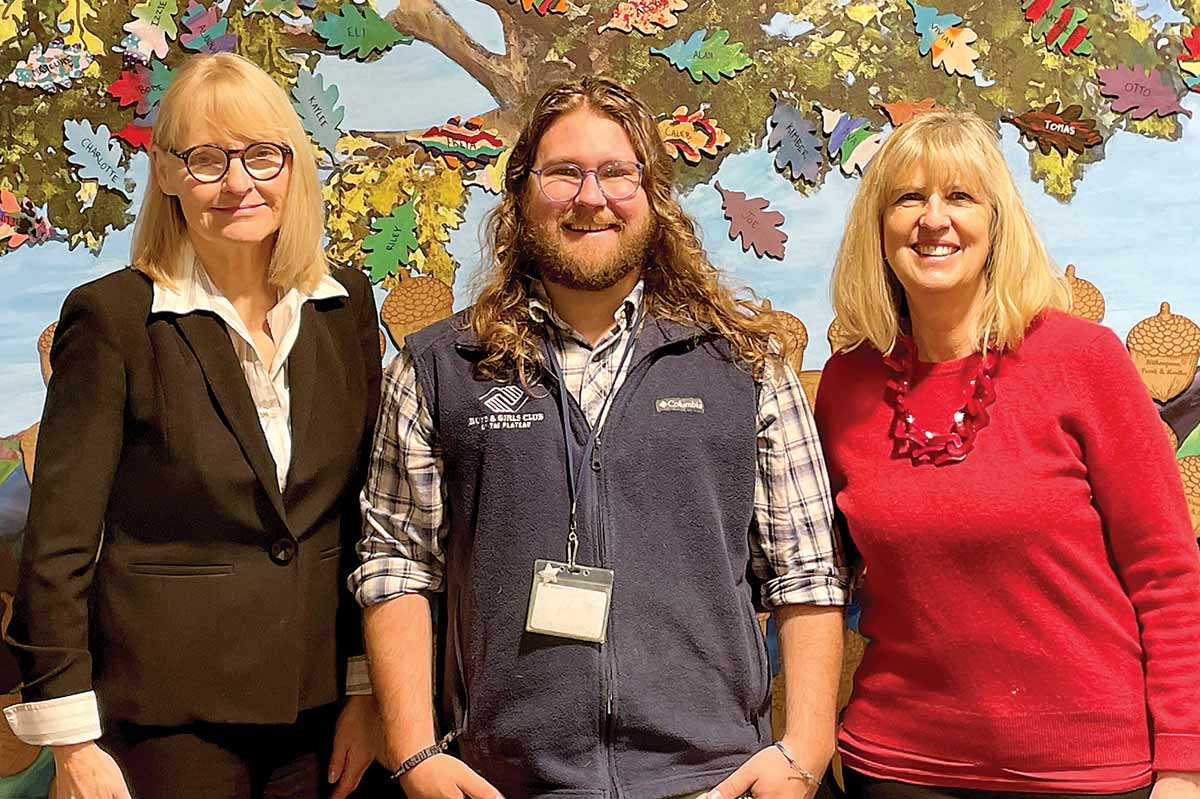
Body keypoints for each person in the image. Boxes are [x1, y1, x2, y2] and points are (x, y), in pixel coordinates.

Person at [351, 76, 849, 799]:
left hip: (714, 781)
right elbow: (397, 565)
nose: (592, 196)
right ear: (522, 193)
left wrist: (803, 749)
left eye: (618, 172)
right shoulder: (438, 368)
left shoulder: (745, 366)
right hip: (505, 783)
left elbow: (806, 573)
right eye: (564, 173)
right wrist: (414, 752)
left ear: (655, 196)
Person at [4, 52, 383, 799]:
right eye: (207, 159)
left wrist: (370, 690)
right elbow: (58, 542)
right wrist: (72, 742)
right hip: (166, 721)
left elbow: (364, 516)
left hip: (319, 711)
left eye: (262, 155)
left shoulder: (346, 304)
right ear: (169, 174)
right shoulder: (113, 317)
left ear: (294, 166)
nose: (239, 183)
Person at [815, 110, 1200, 799]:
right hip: (899, 767)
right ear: (878, 227)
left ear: (997, 221)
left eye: (959, 196)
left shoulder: (1086, 360)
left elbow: (1167, 574)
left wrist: (1185, 764)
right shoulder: (847, 382)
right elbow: (817, 573)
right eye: (909, 197)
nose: (934, 219)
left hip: (1087, 773)